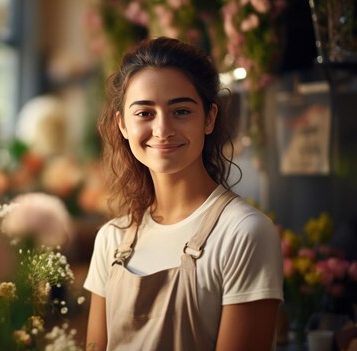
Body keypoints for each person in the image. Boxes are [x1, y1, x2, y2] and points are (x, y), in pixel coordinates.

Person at [83, 37, 283, 350]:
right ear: (122, 125)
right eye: (145, 113)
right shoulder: (112, 239)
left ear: (209, 118)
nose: (162, 130)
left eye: (180, 111)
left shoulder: (244, 232)